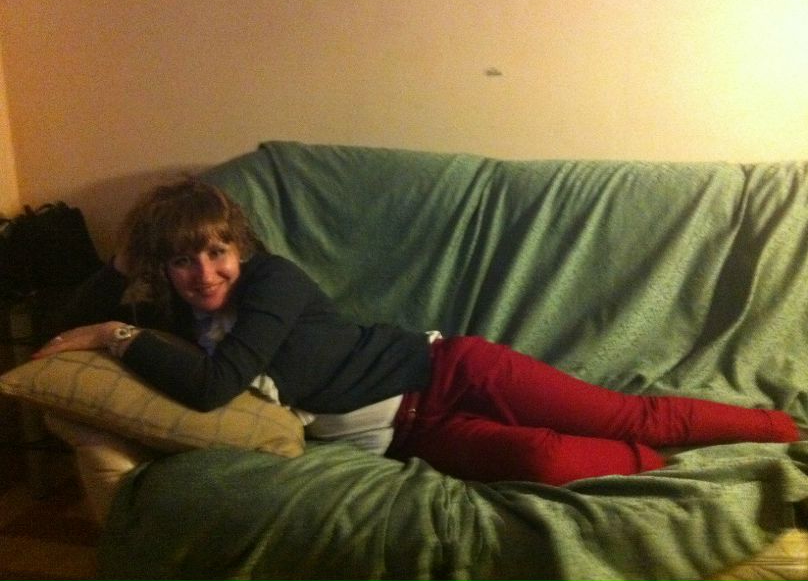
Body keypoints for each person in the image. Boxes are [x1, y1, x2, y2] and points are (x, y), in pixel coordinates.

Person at [33, 179, 801, 486]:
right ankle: (677, 470)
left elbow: (212, 387)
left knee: (632, 413)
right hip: (412, 434)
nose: (205, 272)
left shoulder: (273, 282)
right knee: (546, 460)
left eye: (215, 252)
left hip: (450, 372)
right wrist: (122, 262)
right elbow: (60, 330)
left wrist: (117, 335)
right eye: (182, 260)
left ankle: (785, 431)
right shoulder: (177, 314)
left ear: (238, 246)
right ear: (163, 268)